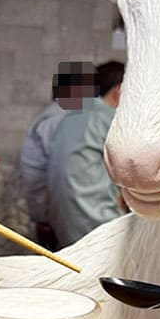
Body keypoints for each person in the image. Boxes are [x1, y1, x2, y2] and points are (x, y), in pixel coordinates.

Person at [46, 60, 125, 248]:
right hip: (96, 230)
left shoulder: (70, 117)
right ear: (119, 91)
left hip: (64, 231)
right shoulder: (111, 120)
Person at [18, 62, 96, 250]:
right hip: (51, 212)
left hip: (48, 208)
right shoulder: (61, 119)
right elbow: (63, 169)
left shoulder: (54, 115)